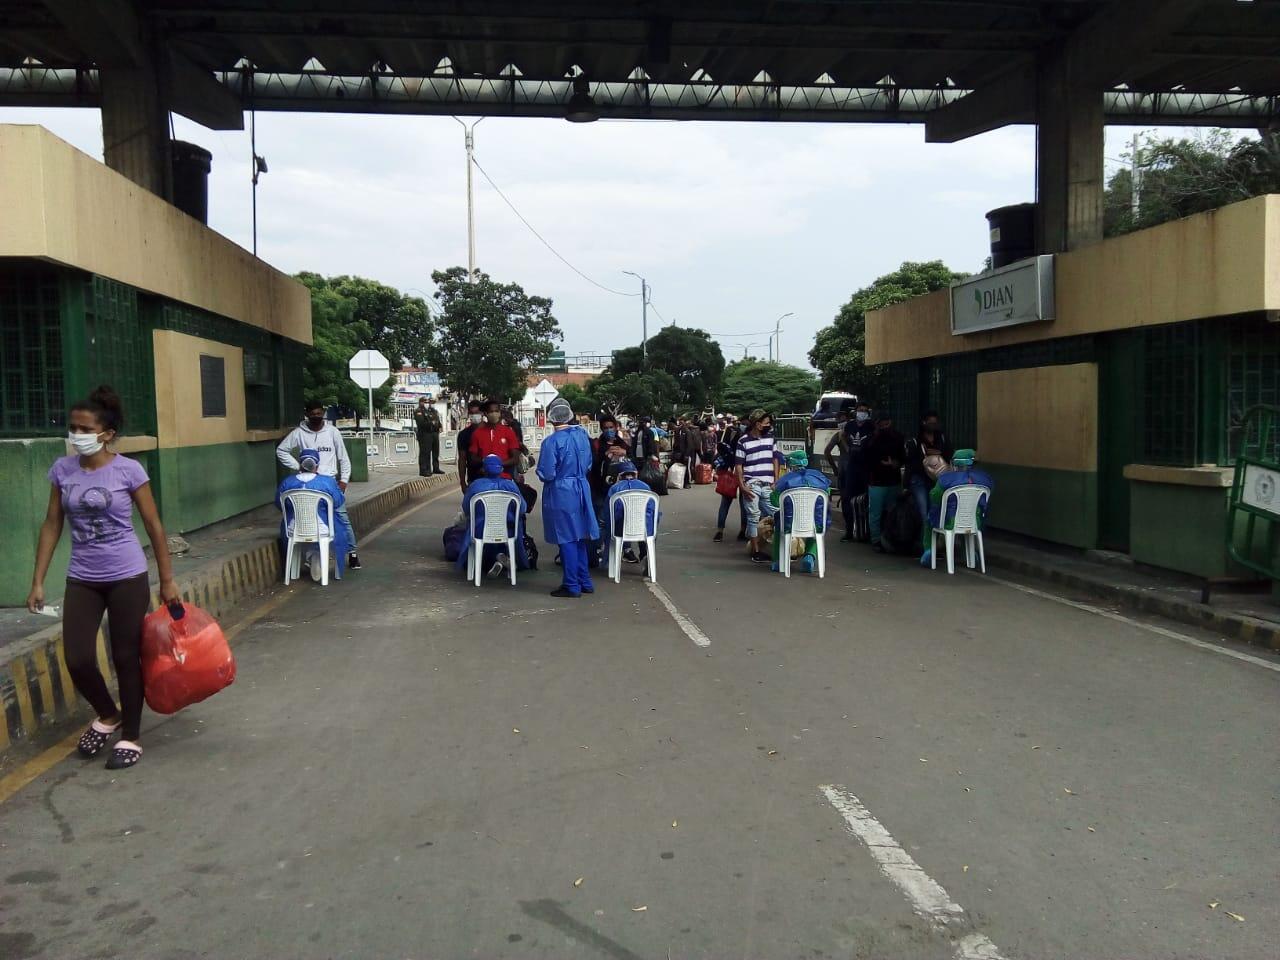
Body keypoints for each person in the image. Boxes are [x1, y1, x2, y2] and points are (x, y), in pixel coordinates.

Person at [26, 386, 181, 770]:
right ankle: (108, 713)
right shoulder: (63, 471)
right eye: (72, 427)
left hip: (127, 574)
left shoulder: (129, 470)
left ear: (107, 433)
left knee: (126, 657)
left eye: (83, 427)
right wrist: (38, 580)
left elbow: (153, 525)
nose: (75, 434)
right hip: (82, 577)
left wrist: (167, 579)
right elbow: (51, 524)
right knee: (77, 658)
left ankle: (131, 735)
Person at [277, 400, 361, 568]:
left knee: (342, 518)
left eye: (319, 413)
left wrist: (344, 480)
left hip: (329, 482)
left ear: (323, 413)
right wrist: (297, 466)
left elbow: (343, 458)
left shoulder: (332, 432)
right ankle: (311, 555)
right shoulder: (299, 433)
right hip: (308, 482)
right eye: (313, 414)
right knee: (307, 519)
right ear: (306, 414)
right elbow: (281, 450)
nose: (316, 417)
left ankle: (352, 553)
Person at [536, 398, 598, 598]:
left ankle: (571, 585)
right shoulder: (582, 436)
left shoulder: (551, 442)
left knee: (566, 539)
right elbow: (589, 463)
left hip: (562, 491)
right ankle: (584, 580)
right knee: (579, 536)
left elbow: (547, 473)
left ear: (551, 418)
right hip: (582, 487)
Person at [276, 448, 351, 579]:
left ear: (300, 465)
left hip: (293, 528)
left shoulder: (287, 482)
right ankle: (317, 554)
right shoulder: (327, 481)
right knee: (338, 524)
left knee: (293, 526)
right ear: (317, 466)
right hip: (322, 528)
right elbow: (339, 501)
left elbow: (279, 503)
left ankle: (310, 557)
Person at [458, 454, 530, 579]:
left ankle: (489, 562)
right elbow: (522, 509)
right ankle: (503, 558)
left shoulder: (476, 485)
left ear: (483, 470)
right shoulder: (510, 485)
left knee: (474, 532)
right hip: (507, 531)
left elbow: (466, 508)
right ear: (501, 469)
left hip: (480, 530)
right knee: (514, 525)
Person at [920, 449, 994, 567]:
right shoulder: (985, 478)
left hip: (950, 522)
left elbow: (934, 497)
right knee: (969, 523)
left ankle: (929, 551)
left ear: (954, 463)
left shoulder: (946, 479)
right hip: (975, 522)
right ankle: (970, 553)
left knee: (930, 519)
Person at [735, 409, 784, 564]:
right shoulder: (743, 441)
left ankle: (779, 547)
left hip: (768, 484)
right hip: (752, 484)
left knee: (777, 513)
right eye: (766, 422)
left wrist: (775, 480)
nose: (769, 425)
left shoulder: (771, 439)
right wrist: (742, 485)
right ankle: (756, 551)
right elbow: (738, 466)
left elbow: (776, 459)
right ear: (757, 424)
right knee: (754, 517)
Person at [771, 450, 831, 572]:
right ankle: (809, 556)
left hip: (789, 524)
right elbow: (827, 495)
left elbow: (775, 502)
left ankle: (778, 561)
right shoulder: (819, 477)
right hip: (815, 523)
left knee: (778, 523)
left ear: (791, 464)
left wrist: (773, 489)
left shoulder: (785, 480)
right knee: (818, 527)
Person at [864, 411, 906, 553]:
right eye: (882, 423)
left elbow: (903, 458)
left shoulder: (898, 437)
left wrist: (894, 463)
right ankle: (876, 540)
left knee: (892, 511)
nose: (885, 425)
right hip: (876, 481)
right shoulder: (872, 438)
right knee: (875, 513)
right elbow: (865, 455)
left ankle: (890, 537)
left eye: (887, 422)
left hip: (893, 480)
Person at [605, 459, 659, 567]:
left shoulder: (614, 489)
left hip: (620, 529)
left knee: (608, 524)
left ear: (619, 475)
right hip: (644, 528)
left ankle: (614, 557)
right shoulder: (645, 487)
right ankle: (645, 554)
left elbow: (607, 513)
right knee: (650, 521)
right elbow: (653, 511)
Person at [905, 410, 954, 526]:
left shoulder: (941, 438)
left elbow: (949, 455)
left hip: (936, 480)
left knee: (935, 509)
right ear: (923, 423)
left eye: (935, 423)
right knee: (923, 510)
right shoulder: (916, 441)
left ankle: (933, 538)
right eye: (930, 423)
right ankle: (925, 541)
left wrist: (938, 457)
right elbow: (910, 463)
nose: (933, 426)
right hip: (919, 479)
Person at [835, 402, 875, 542]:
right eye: (860, 410)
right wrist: (848, 449)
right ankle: (849, 530)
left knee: (867, 499)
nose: (862, 413)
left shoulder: (871, 426)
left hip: (866, 466)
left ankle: (866, 531)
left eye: (865, 410)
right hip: (852, 466)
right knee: (847, 498)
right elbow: (843, 437)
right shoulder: (850, 425)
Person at [469, 399, 522, 479]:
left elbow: (515, 458)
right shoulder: (477, 433)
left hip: (505, 478)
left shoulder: (508, 432)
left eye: (496, 411)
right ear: (486, 414)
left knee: (524, 491)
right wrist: (486, 462)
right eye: (491, 412)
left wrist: (498, 464)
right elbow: (473, 458)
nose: (494, 414)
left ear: (499, 413)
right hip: (483, 479)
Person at [456, 400, 484, 491]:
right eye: (472, 413)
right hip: (474, 479)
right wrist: (462, 483)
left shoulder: (491, 430)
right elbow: (462, 459)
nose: (474, 416)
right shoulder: (464, 435)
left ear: (482, 413)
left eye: (477, 413)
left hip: (494, 478)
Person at [413, 398, 444, 476]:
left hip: (434, 433)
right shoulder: (419, 411)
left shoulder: (433, 411)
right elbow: (421, 423)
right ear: (421, 402)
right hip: (425, 434)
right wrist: (431, 423)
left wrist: (440, 426)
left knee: (435, 451)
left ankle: (436, 468)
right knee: (425, 453)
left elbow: (437, 420)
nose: (429, 404)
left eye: (431, 402)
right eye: (426, 402)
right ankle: (424, 470)